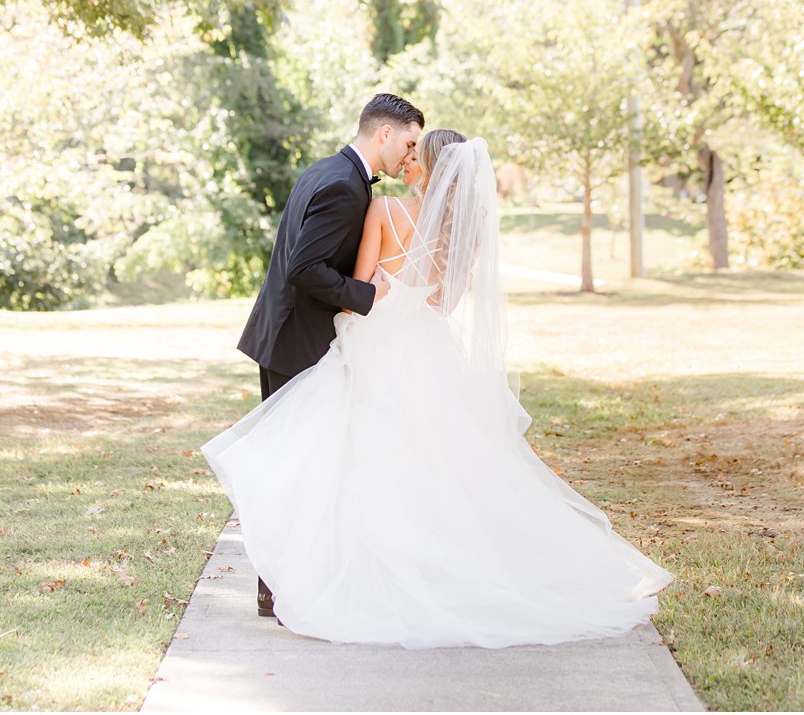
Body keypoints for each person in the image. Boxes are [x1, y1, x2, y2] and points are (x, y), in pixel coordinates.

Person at [207, 128, 673, 648]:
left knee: (349, 458)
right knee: (429, 467)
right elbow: (444, 305)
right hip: (427, 351)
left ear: (426, 165)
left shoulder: (384, 212)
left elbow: (355, 294)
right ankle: (429, 569)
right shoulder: (461, 233)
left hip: (373, 342)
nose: (408, 159)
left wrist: (375, 294)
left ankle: (343, 572)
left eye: (414, 154)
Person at [235, 92, 424, 618]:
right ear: (383, 133)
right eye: (409, 142)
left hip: (283, 335)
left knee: (295, 464)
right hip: (298, 342)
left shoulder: (327, 170)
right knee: (295, 467)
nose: (410, 155)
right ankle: (276, 587)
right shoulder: (344, 187)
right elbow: (304, 267)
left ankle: (279, 584)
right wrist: (367, 296)